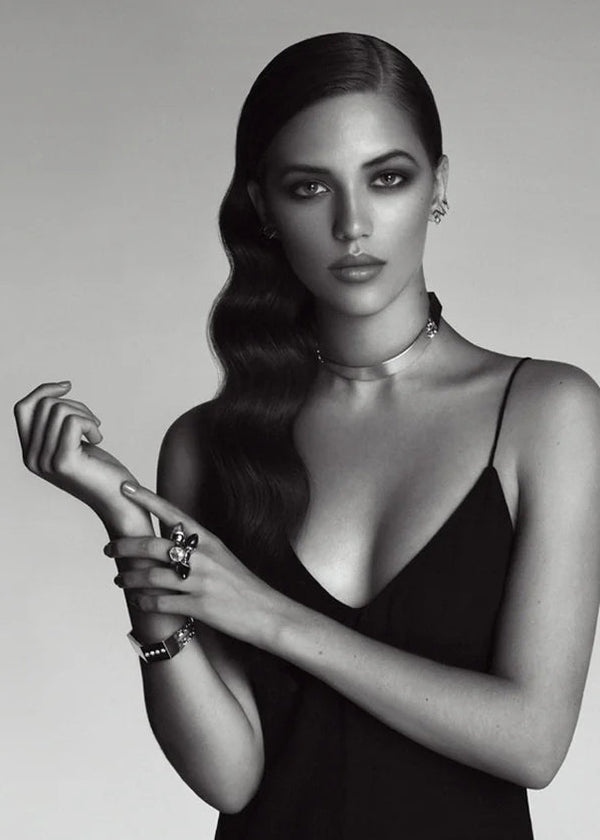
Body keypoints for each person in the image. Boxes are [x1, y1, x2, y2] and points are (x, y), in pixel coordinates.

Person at [13, 32, 600, 839]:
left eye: (387, 178)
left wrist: (274, 620)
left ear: (439, 185)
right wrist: (129, 531)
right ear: (263, 206)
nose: (353, 224)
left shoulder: (547, 411)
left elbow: (534, 743)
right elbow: (231, 776)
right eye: (308, 187)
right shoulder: (208, 445)